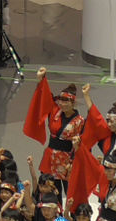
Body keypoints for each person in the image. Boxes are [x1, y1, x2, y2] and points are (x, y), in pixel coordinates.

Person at [24, 67, 85, 200]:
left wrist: (73, 162)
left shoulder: (80, 121)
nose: (62, 104)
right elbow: (45, 96)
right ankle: (52, 218)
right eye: (60, 100)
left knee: (70, 194)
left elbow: (81, 145)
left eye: (66, 101)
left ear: (73, 103)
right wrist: (42, 79)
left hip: (68, 161)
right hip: (51, 158)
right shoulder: (55, 111)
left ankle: (69, 218)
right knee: (50, 193)